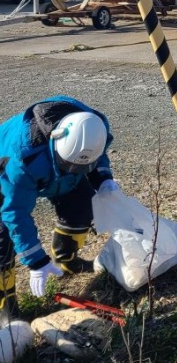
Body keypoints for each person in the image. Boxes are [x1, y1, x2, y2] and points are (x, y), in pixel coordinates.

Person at [0, 97, 117, 323]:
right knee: (2, 240)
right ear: (56, 140)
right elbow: (15, 212)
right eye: (70, 165)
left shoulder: (94, 126)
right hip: (5, 174)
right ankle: (6, 305)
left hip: (52, 168)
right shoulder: (22, 156)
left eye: (80, 167)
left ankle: (66, 259)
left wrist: (103, 177)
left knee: (83, 207)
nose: (74, 170)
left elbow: (98, 151)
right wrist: (36, 262)